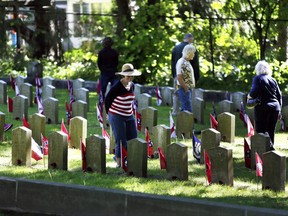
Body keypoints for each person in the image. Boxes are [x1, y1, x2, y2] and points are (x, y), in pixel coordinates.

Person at [105, 63, 141, 167]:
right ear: (123, 75)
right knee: (120, 139)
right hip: (116, 115)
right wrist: (108, 114)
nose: (130, 77)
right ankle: (118, 162)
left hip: (128, 115)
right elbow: (107, 100)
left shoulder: (132, 85)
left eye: (131, 75)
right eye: (128, 75)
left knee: (133, 138)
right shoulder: (117, 86)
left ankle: (131, 160)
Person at [247, 60, 282, 150]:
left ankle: (261, 153)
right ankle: (271, 152)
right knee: (271, 131)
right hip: (275, 107)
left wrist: (249, 96)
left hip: (263, 107)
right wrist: (279, 111)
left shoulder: (258, 78)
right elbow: (279, 96)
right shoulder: (273, 79)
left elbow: (253, 92)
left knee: (261, 131)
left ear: (257, 69)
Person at [171, 33, 200, 115]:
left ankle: (175, 111)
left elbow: (172, 63)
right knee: (187, 101)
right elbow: (195, 65)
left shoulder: (176, 48)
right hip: (185, 80)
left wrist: (174, 75)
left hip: (176, 76)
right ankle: (185, 119)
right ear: (190, 39)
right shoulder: (190, 49)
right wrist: (196, 78)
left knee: (176, 95)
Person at [176, 44, 196, 112]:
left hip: (187, 88)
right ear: (189, 52)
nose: (194, 54)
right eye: (193, 52)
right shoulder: (181, 62)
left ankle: (182, 122)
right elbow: (179, 77)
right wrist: (186, 89)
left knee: (185, 109)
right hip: (183, 88)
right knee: (187, 110)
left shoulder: (186, 62)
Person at [97, 37, 119, 101]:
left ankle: (101, 102)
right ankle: (113, 102)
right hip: (113, 72)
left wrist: (103, 70)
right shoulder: (114, 52)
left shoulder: (101, 52)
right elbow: (116, 63)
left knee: (102, 90)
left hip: (105, 73)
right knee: (114, 89)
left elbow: (99, 63)